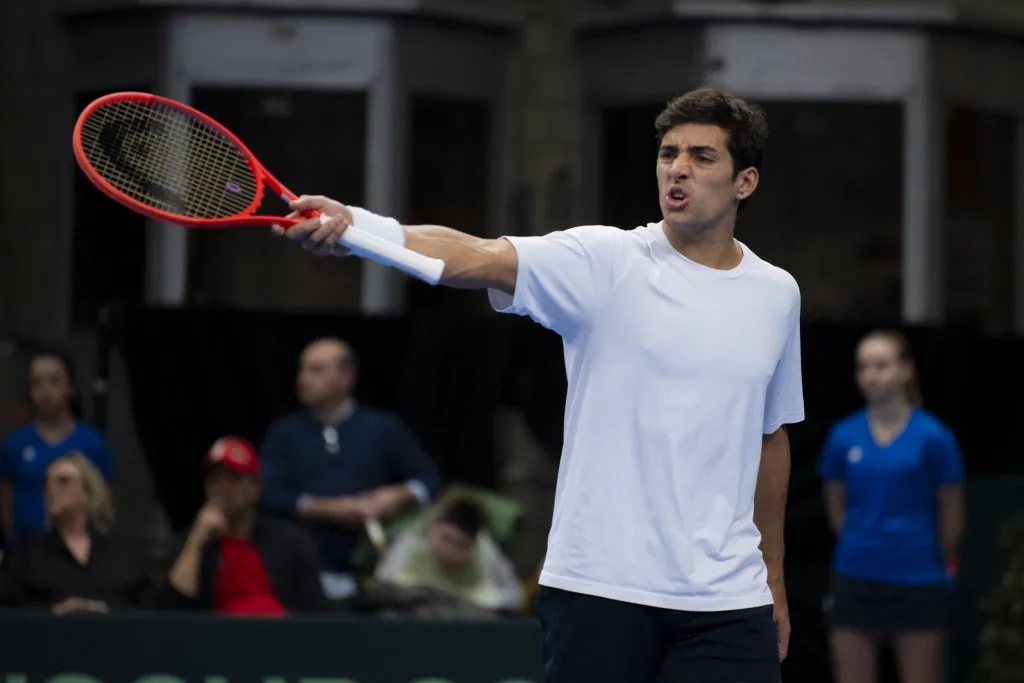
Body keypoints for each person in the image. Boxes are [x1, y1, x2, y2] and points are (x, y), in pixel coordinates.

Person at [274, 87, 803, 683]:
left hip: (728, 603)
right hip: (600, 591)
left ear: (745, 182)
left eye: (702, 157)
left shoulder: (777, 294)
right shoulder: (605, 260)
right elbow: (476, 255)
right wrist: (358, 228)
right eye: (668, 153)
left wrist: (773, 579)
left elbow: (769, 435)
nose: (677, 168)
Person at [819, 330, 965, 683]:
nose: (871, 374)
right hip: (855, 578)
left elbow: (953, 515)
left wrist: (931, 558)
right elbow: (836, 508)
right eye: (863, 366)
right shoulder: (842, 437)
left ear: (905, 370)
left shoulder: (934, 437)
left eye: (882, 365)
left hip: (917, 581)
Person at [260, 337, 442, 601]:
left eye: (316, 370)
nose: (303, 379)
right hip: (300, 573)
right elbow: (268, 494)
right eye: (302, 369)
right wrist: (329, 508)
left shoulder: (382, 428)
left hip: (371, 572)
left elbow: (429, 481)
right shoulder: (284, 433)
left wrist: (397, 495)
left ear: (346, 376)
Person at [161, 436, 329, 615]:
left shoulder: (290, 541)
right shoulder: (193, 545)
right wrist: (196, 540)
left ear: (255, 488)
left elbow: (316, 612)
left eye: (233, 478)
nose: (222, 487)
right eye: (214, 479)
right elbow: (170, 613)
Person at [0, 454, 148, 613]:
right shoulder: (27, 551)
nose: (51, 490)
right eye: (46, 483)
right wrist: (52, 613)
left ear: (88, 491)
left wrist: (101, 610)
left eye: (63, 481)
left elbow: (146, 609)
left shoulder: (121, 552)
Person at [1, 349, 114, 545]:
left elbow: (104, 502)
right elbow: (5, 500)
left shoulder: (93, 443)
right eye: (36, 382)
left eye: (54, 380)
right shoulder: (14, 444)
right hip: (24, 549)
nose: (45, 390)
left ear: (70, 385)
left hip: (76, 549)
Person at [374, 492, 525, 614]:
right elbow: (384, 583)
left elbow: (513, 599)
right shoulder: (411, 542)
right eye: (446, 539)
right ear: (433, 526)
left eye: (460, 545)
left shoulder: (485, 551)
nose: (449, 551)